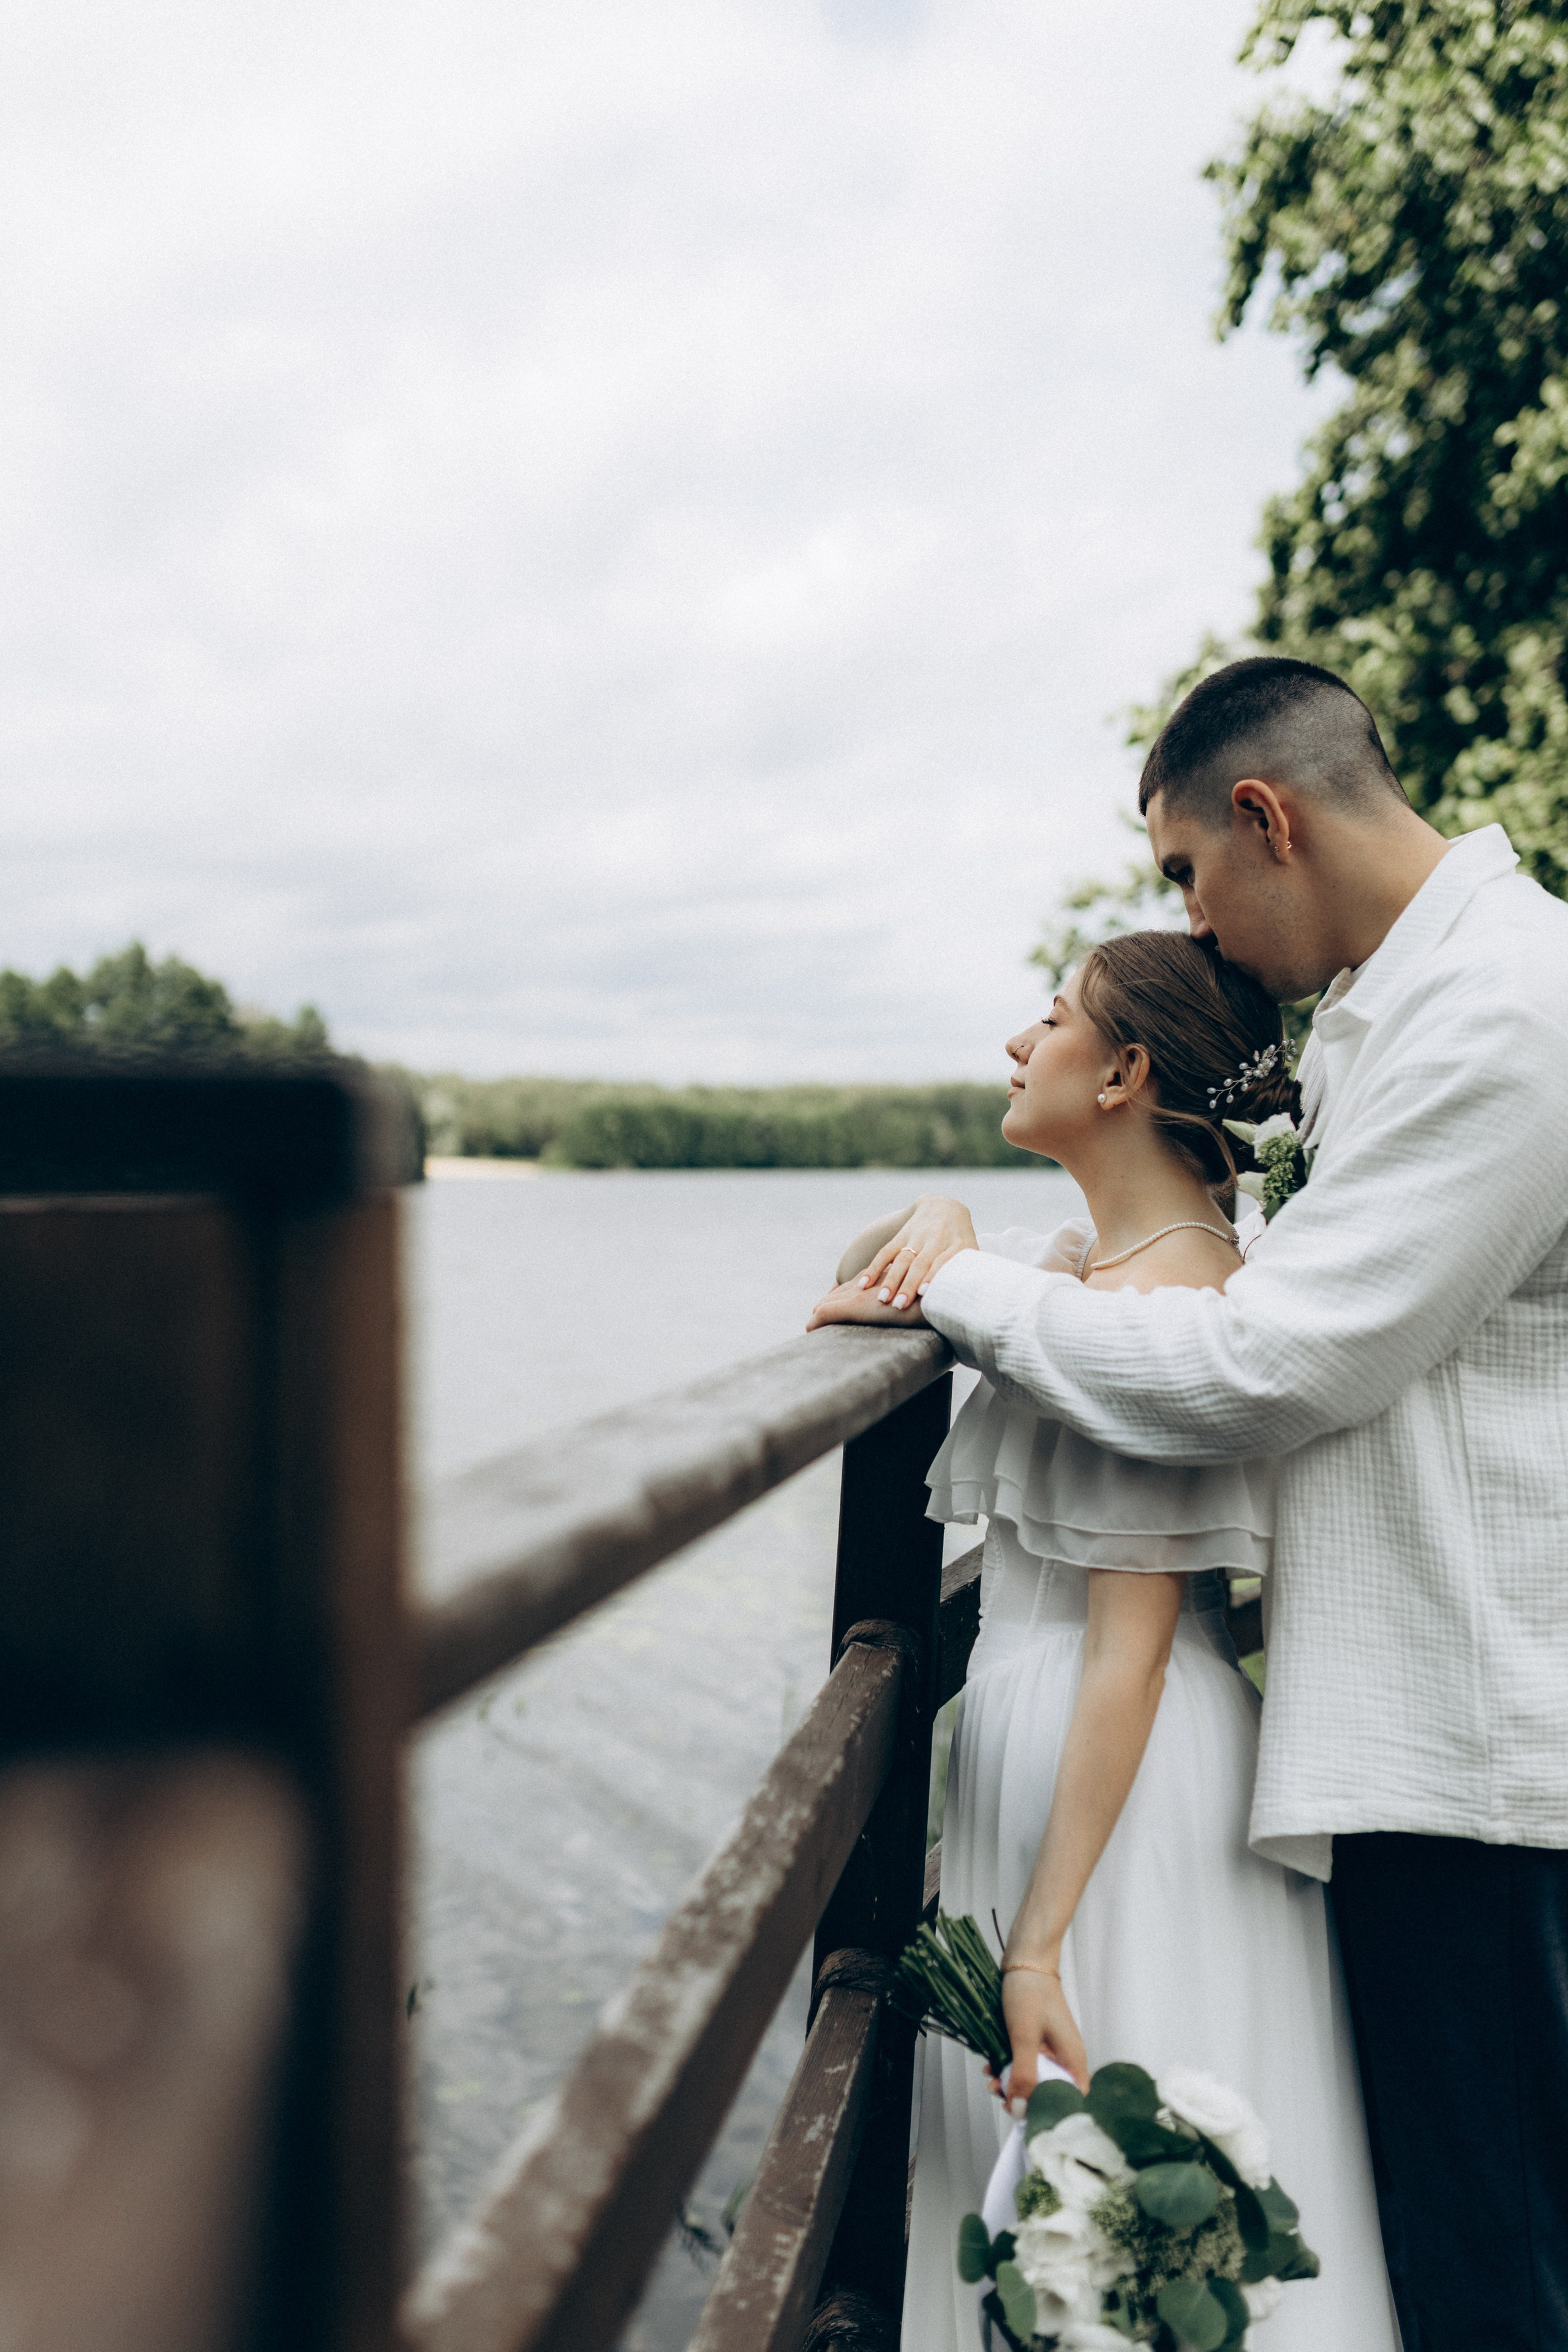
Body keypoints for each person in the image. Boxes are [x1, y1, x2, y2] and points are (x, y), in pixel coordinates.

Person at [811, 654, 1568, 2352]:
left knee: (1501, 2270)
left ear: (1264, 816)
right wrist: (986, 1241)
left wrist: (963, 1294)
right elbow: (1233, 1281)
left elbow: (1261, 1365)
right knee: (1447, 2247)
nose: (1194, 923)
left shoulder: (1508, 1013)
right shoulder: (1401, 1009)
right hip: (1413, 1732)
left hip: (1484, 1749)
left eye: (1184, 872)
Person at [826, 932, 1396, 2350]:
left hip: (1114, 1785)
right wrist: (942, 1216)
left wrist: (1033, 1947)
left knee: (1111, 2151)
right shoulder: (1102, 1266)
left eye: (1051, 1018)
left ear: (1124, 1071)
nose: (1017, 1045)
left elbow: (1127, 1651)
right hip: (1076, 1752)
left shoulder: (1165, 1309)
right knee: (1082, 2197)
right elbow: (856, 1280)